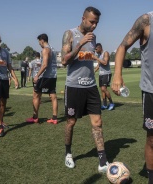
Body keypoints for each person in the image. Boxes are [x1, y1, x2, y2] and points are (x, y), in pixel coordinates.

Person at [61, 6, 109, 173]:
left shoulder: (93, 38)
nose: (94, 25)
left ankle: (103, 160)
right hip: (74, 87)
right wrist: (80, 44)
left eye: (97, 23)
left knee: (97, 123)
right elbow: (64, 61)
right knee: (71, 122)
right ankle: (68, 153)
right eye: (92, 22)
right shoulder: (70, 34)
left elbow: (88, 58)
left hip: (91, 86)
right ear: (83, 18)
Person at [111, 11, 153, 183]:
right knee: (152, 139)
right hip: (151, 91)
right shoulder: (146, 20)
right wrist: (117, 74)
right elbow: (122, 46)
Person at [26, 34, 58, 124]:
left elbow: (45, 65)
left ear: (42, 40)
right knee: (53, 96)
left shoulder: (45, 49)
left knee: (36, 95)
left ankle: (35, 117)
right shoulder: (53, 49)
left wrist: (37, 76)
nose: (39, 43)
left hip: (45, 76)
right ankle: (54, 118)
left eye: (39, 41)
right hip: (53, 76)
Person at [94, 43, 114, 110]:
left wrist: (96, 58)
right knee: (102, 90)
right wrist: (93, 72)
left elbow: (105, 63)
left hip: (106, 73)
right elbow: (99, 65)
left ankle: (111, 103)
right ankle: (105, 105)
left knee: (104, 89)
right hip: (101, 74)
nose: (95, 50)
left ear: (99, 48)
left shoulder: (106, 53)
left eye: (96, 49)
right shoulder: (99, 55)